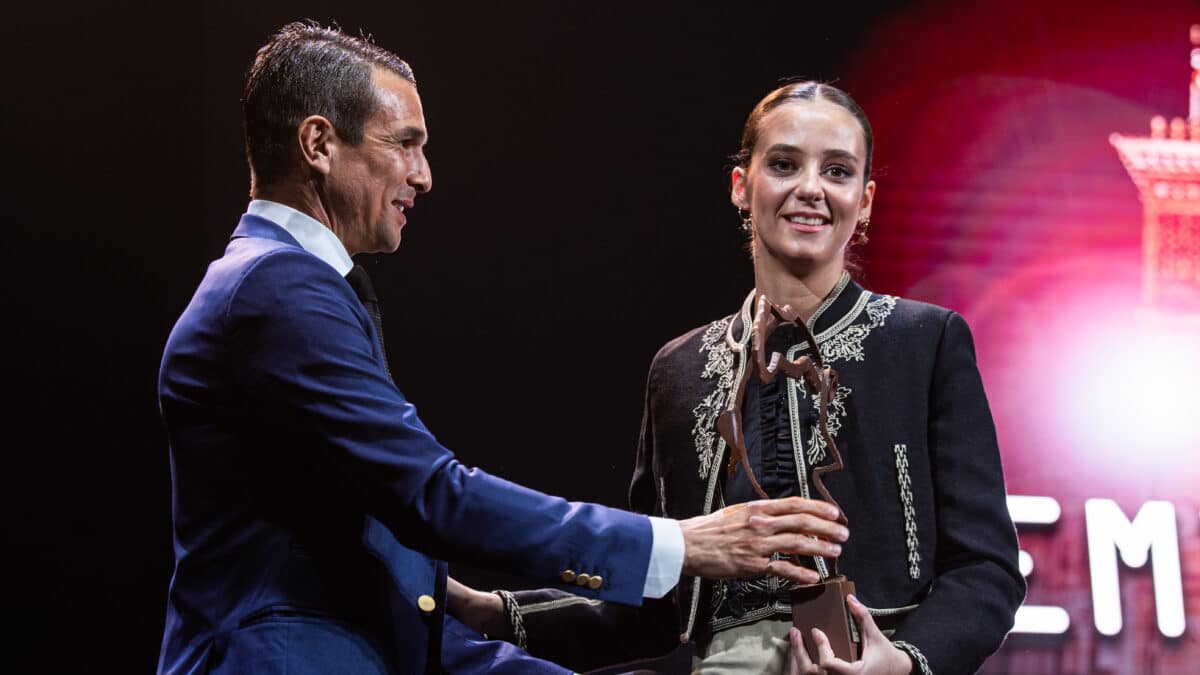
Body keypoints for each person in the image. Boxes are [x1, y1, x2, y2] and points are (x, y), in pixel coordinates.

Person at [156, 23, 851, 675]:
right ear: (318, 143)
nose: (423, 175)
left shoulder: (292, 285)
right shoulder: (275, 291)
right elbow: (432, 494)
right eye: (405, 143)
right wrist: (682, 544)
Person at [454, 82, 1026, 674]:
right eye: (784, 164)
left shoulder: (924, 341)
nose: (810, 188)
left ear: (867, 199)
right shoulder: (678, 369)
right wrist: (496, 611)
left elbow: (985, 569)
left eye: (837, 170)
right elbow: (655, 604)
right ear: (740, 187)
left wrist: (905, 663)